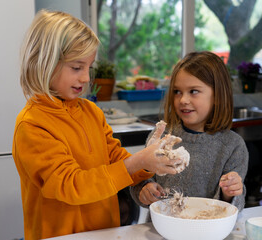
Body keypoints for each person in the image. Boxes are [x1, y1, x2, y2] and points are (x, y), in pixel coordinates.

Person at [12, 10, 181, 240]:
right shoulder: (32, 125)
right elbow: (71, 185)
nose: (85, 78)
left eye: (88, 68)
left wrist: (147, 164)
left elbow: (116, 159)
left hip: (105, 233)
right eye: (76, 67)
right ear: (45, 62)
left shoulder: (92, 112)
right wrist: (137, 162)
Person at [130, 51, 249, 213]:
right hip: (165, 230)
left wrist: (230, 192)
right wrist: (144, 189)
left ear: (217, 96)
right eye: (177, 91)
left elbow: (235, 205)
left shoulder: (233, 146)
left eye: (193, 91)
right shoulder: (161, 138)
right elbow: (141, 180)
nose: (183, 100)